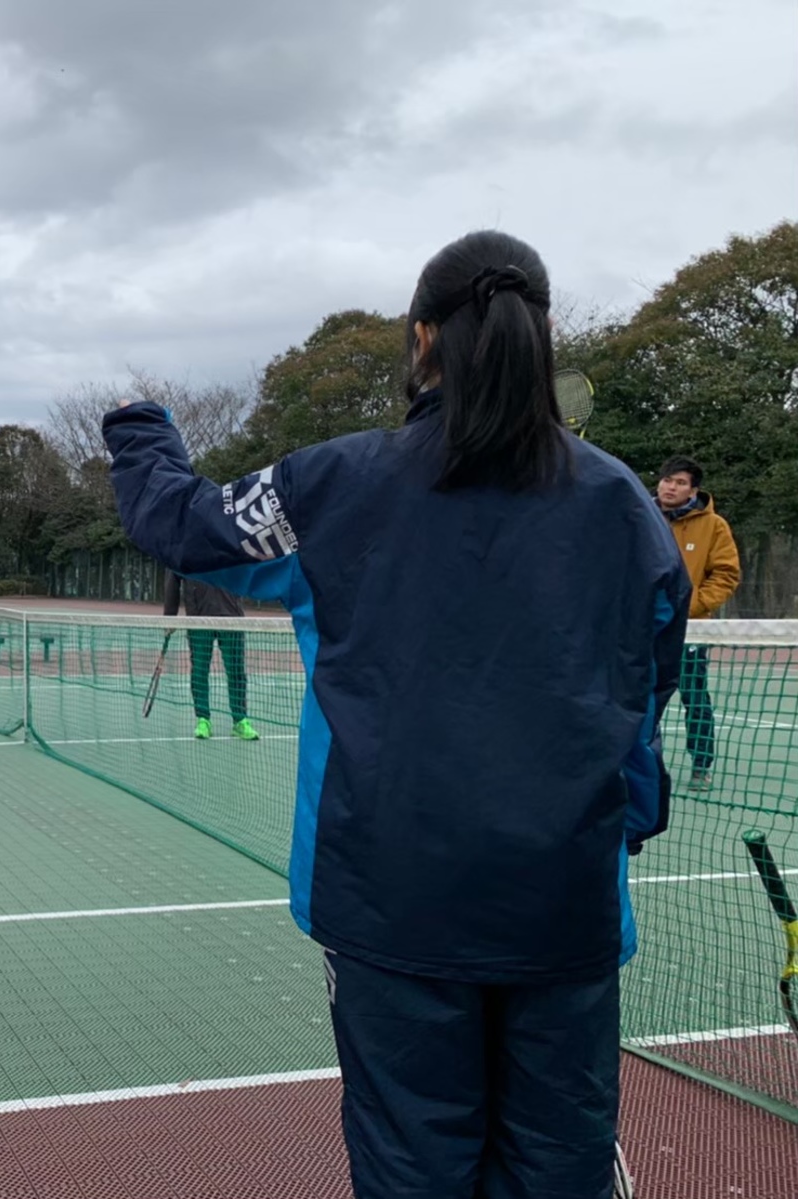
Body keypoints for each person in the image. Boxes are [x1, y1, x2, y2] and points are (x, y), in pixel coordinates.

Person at [102, 231, 690, 1198]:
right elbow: (645, 698)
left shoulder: (336, 485)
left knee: (412, 1162)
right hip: (565, 901)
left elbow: (183, 524)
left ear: (423, 339)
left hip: (388, 897)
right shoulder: (625, 504)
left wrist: (139, 427)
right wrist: (624, 820)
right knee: (561, 1162)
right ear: (540, 338)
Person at [655, 455, 741, 791]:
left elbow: (726, 574)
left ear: (693, 491)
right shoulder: (640, 515)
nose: (670, 487)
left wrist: (692, 606)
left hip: (690, 631)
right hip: (644, 628)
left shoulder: (714, 526)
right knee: (640, 696)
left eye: (679, 483)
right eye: (667, 480)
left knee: (694, 697)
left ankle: (701, 763)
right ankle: (639, 761)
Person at [163, 573, 260, 741]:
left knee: (236, 671)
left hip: (232, 617)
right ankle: (203, 719)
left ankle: (240, 720)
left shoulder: (232, 545)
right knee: (200, 670)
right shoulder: (184, 548)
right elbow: (173, 578)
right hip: (198, 619)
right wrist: (169, 616)